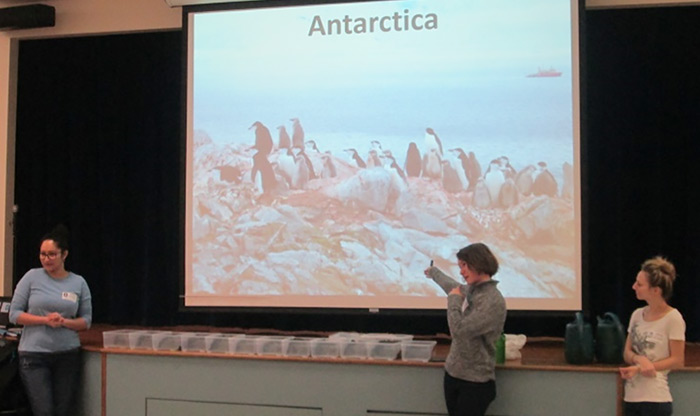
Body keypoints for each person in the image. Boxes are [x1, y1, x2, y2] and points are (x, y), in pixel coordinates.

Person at [9, 225, 93, 416]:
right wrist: (44, 320)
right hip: (34, 355)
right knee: (44, 410)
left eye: (52, 254)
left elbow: (86, 321)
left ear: (64, 255)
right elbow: (14, 314)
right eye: (43, 254)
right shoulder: (31, 277)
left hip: (67, 354)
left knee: (63, 410)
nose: (46, 259)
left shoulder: (78, 282)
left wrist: (64, 322)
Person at [424, 242, 506, 416]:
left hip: (475, 383)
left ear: (478, 263)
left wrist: (453, 301)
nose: (461, 271)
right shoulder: (474, 290)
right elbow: (453, 287)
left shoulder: (492, 300)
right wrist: (434, 273)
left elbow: (459, 331)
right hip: (454, 375)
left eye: (464, 265)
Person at [619, 256, 685, 416]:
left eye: (640, 284)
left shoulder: (673, 318)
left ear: (656, 290)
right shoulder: (636, 315)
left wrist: (644, 367)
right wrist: (638, 359)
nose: (634, 286)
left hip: (656, 400)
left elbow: (677, 360)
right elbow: (627, 352)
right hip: (631, 398)